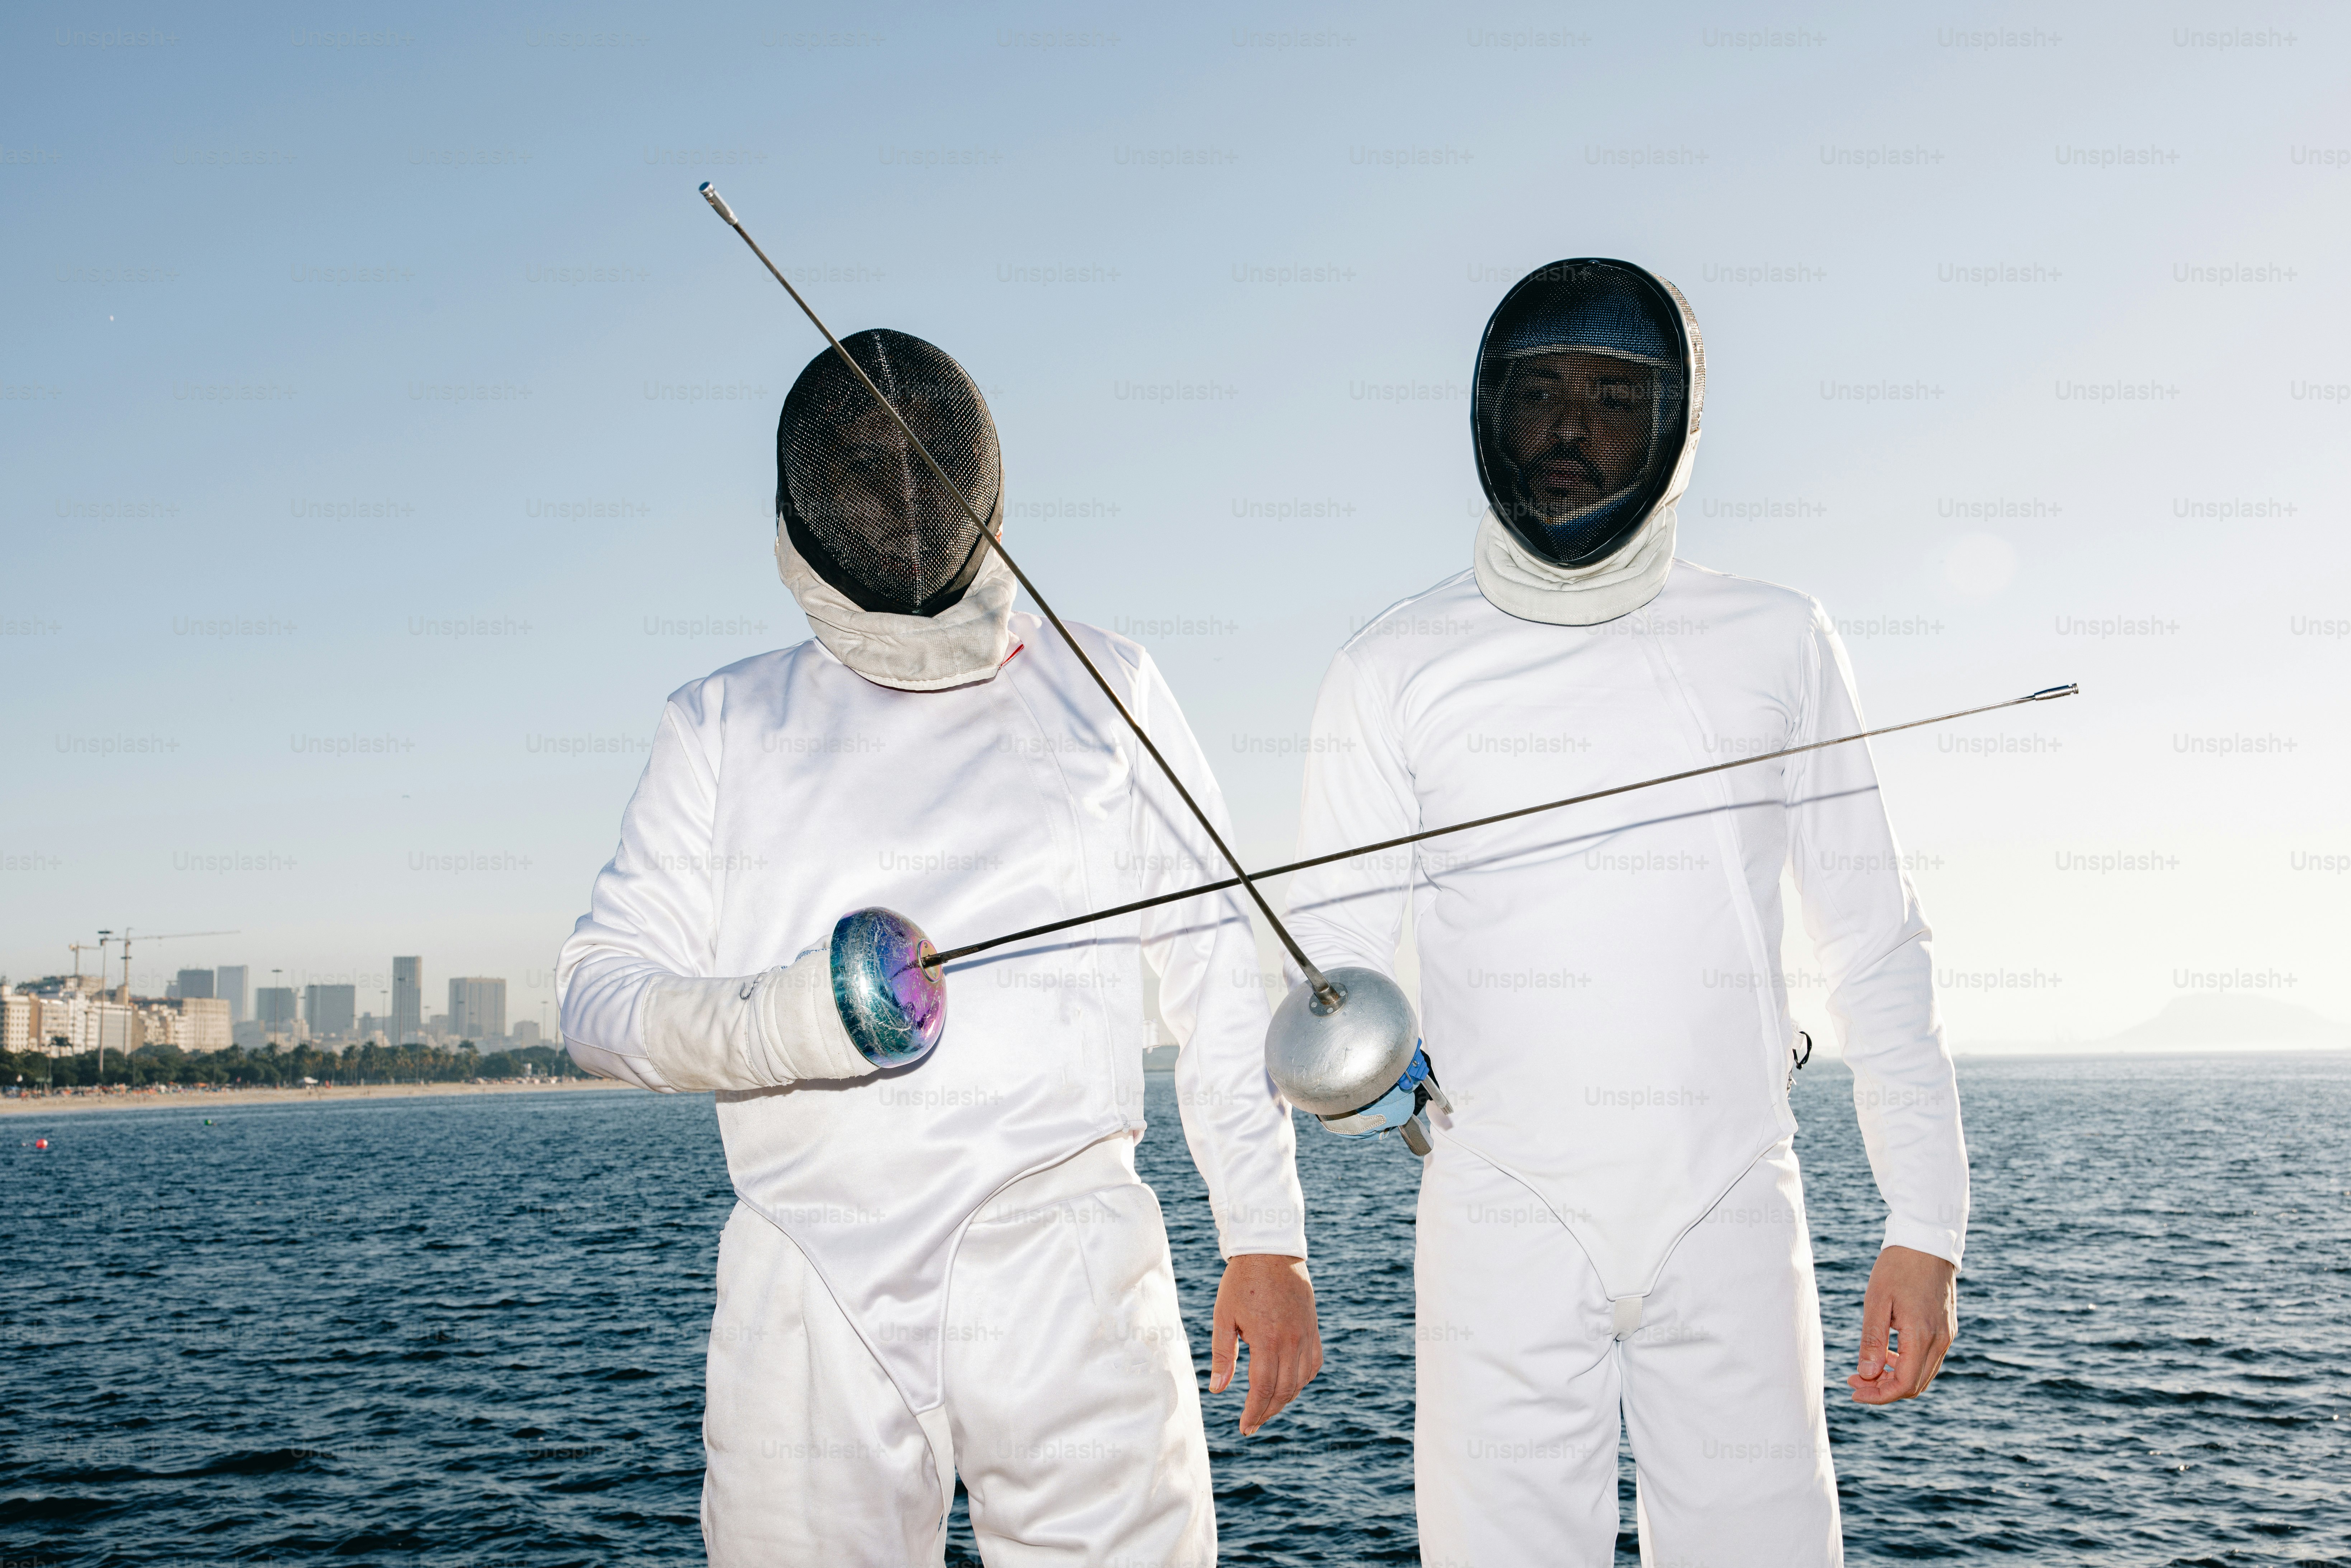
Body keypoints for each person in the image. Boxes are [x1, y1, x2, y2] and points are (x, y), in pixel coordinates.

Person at [557, 329, 1320, 1566]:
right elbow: (597, 995)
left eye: (925, 456)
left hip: (1068, 1252)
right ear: (805, 505)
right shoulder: (721, 721)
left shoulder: (1106, 682)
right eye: (861, 464)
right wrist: (795, 1019)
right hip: (813, 1270)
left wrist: (1266, 1238)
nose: (902, 493)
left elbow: (1218, 968)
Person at [1282, 261, 1966, 1567]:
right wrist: (1347, 1070)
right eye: (1536, 393)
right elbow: (1339, 955)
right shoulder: (1391, 665)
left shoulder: (1777, 637)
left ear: (1675, 427)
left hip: (1727, 1205)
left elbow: (1873, 938)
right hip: (1499, 1211)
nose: (1567, 432)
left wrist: (1925, 1220)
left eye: (1610, 397)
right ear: (1487, 410)